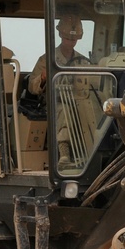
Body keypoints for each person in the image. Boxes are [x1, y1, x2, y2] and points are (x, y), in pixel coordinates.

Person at [26, 16, 92, 170]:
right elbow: (32, 87)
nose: (71, 41)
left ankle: (91, 151)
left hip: (79, 101)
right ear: (61, 35)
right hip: (52, 103)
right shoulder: (47, 59)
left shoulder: (82, 61)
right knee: (64, 109)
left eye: (74, 38)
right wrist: (43, 78)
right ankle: (64, 153)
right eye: (68, 37)